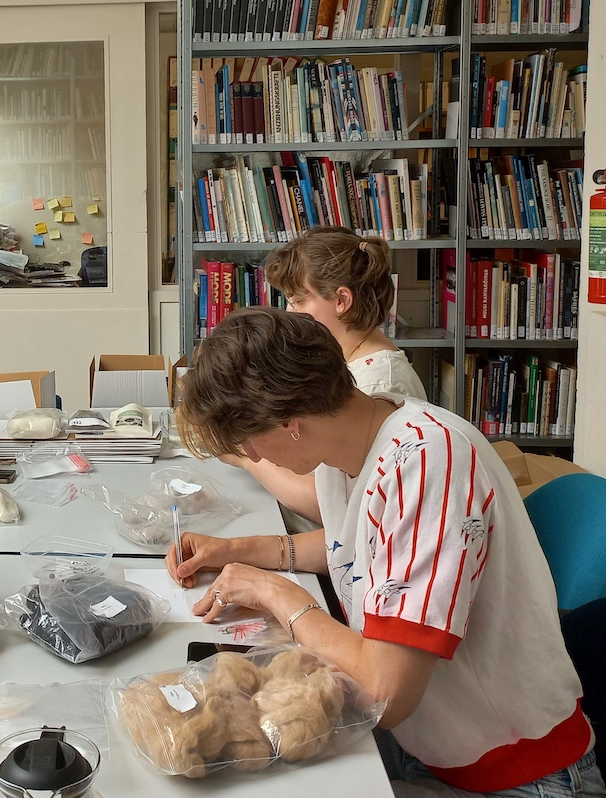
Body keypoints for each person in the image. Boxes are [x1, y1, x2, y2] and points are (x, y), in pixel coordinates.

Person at [166, 308, 602, 798]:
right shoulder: (353, 441)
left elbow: (384, 693)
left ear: (289, 422)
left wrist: (279, 596)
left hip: (515, 774)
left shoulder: (428, 463)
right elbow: (366, 549)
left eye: (248, 441)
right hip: (429, 745)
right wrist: (236, 551)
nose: (253, 456)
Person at [236, 227, 427, 523]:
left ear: (341, 300)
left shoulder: (380, 382)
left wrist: (245, 458)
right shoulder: (340, 358)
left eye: (298, 300)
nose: (290, 312)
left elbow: (331, 504)